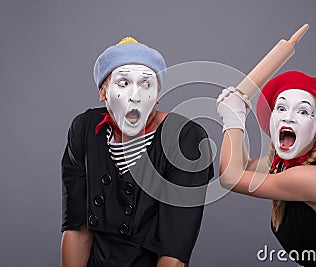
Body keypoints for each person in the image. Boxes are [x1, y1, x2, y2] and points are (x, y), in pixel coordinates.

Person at [61, 37, 214, 267]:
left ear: (158, 95)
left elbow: (173, 254)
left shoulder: (185, 139)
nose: (135, 96)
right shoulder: (84, 130)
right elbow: (77, 228)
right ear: (103, 91)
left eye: (146, 84)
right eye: (123, 83)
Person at [216, 71, 316, 266]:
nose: (289, 118)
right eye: (281, 108)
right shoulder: (284, 164)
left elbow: (231, 177)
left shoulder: (314, 177)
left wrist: (232, 121)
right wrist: (236, 116)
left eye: (303, 111)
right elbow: (244, 167)